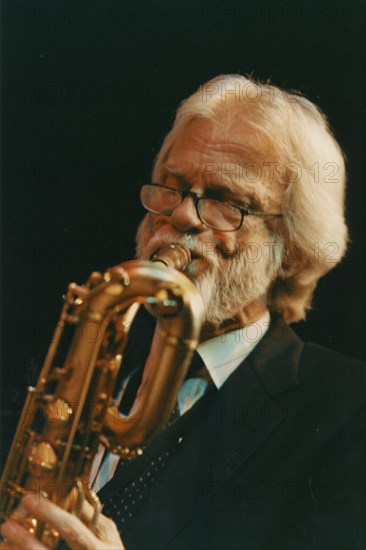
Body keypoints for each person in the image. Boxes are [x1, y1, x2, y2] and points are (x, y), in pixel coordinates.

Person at [1, 74, 364, 550]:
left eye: (224, 201)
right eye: (171, 187)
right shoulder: (83, 376)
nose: (182, 216)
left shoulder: (349, 411)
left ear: (292, 248)